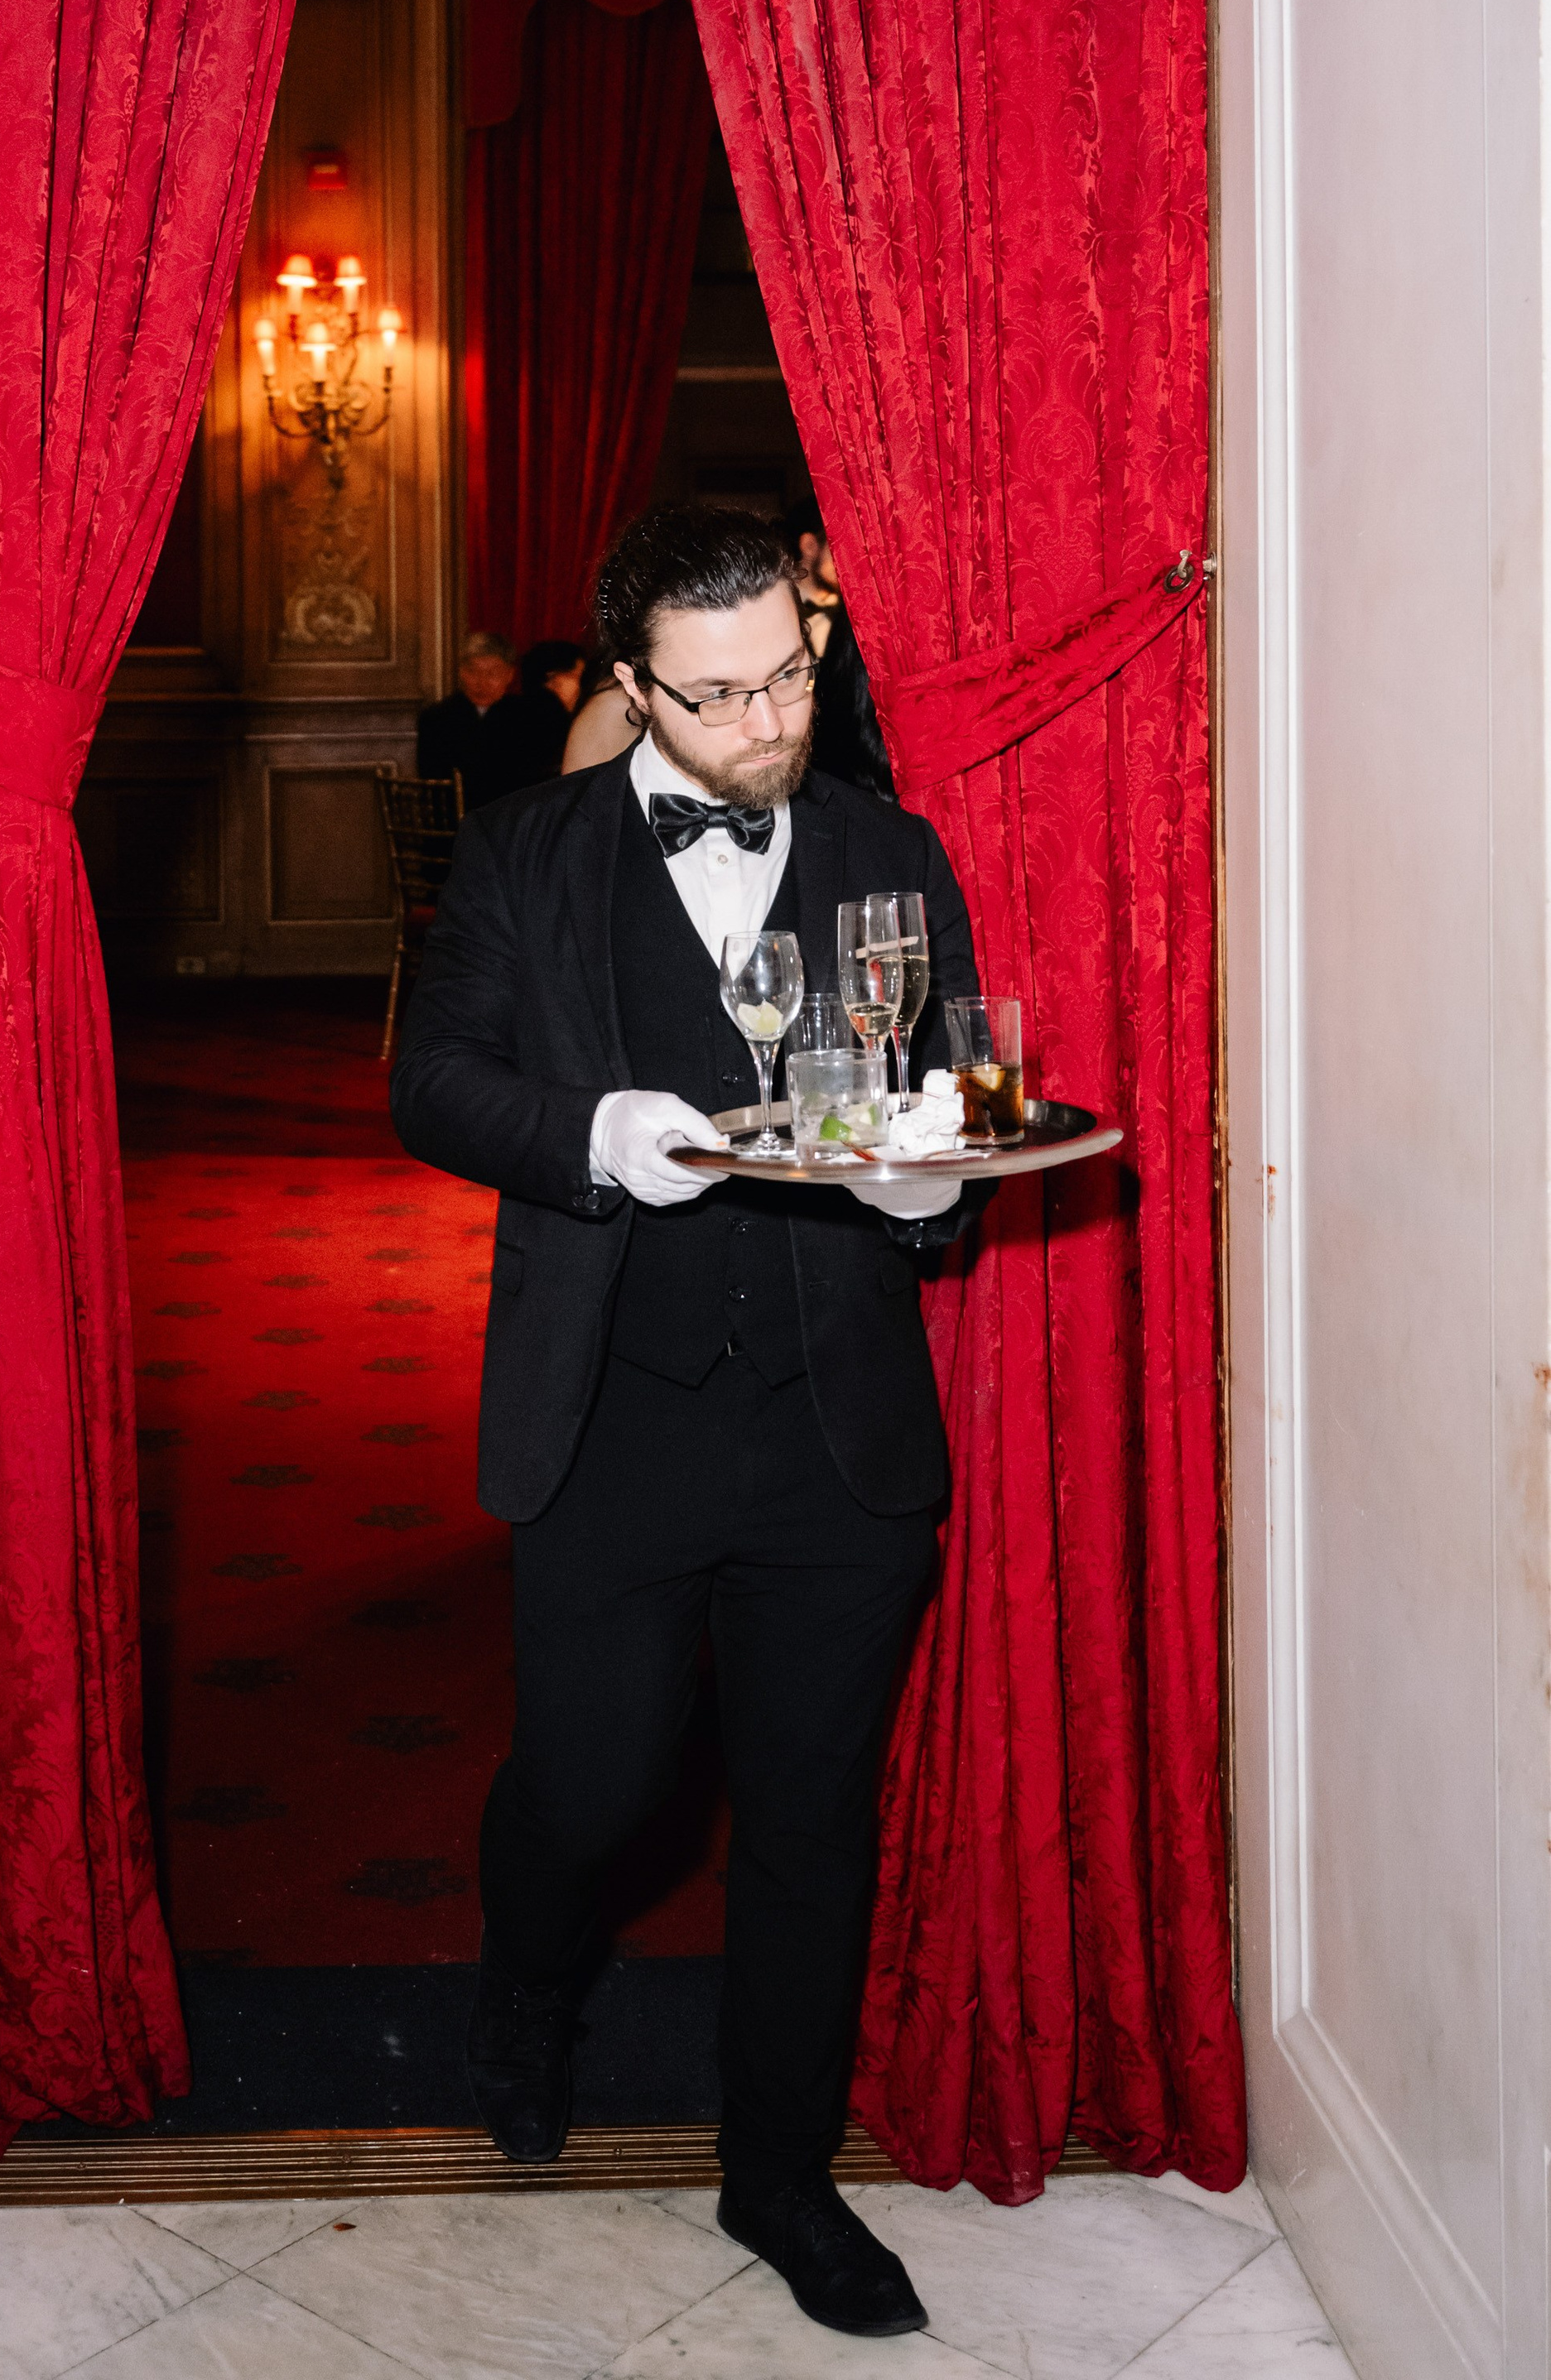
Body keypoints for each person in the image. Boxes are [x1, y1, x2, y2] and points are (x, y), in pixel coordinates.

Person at [391, 504, 989, 2346]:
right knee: (593, 1783)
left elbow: (956, 1114)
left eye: (787, 677)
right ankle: (525, 1983)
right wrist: (592, 1141)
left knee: (810, 1816)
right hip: (612, 1426)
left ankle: (779, 2176)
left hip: (837, 1438)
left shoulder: (893, 848)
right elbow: (435, 1084)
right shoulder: (529, 855)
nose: (763, 725)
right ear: (632, 685)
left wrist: (918, 1196)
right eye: (716, 695)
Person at [783, 493, 895, 801]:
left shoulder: (859, 619)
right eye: (843, 546)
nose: (856, 559)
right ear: (809, 546)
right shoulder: (774, 616)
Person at [416, 630, 525, 812]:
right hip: (454, 820)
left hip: (510, 816)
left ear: (510, 675)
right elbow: (434, 782)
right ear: (461, 672)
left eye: (492, 673)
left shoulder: (524, 716)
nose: (481, 683)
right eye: (473, 671)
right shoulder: (437, 717)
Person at [503, 638, 587, 790]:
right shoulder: (550, 716)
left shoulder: (505, 708)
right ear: (554, 678)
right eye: (577, 676)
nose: (582, 687)